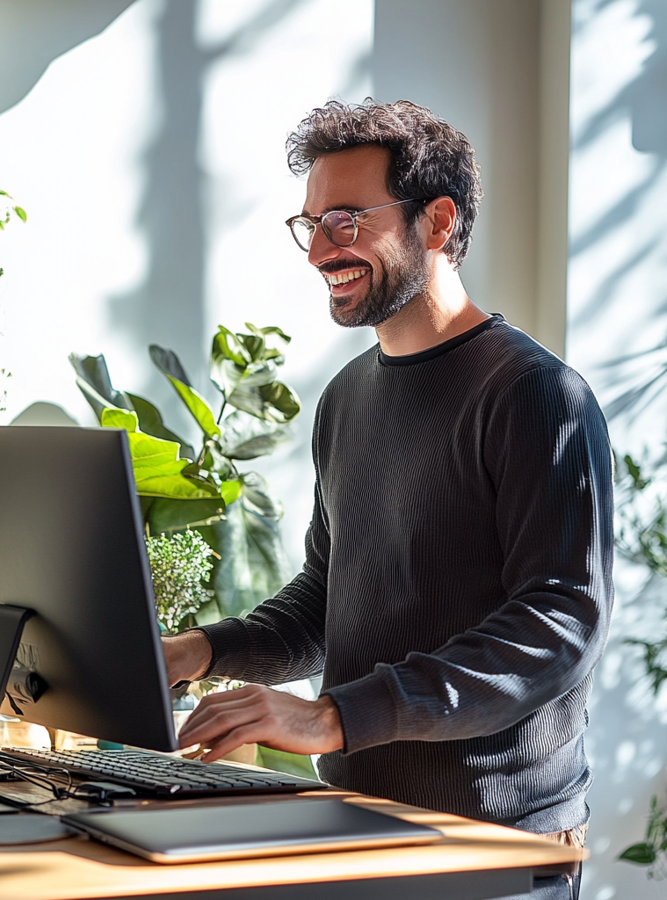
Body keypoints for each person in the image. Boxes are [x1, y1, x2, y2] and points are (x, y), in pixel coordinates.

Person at [163, 99, 613, 900]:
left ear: (436, 222)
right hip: (358, 827)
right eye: (309, 226)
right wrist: (198, 651)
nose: (318, 253)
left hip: (488, 852)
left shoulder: (538, 396)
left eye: (344, 220)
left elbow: (558, 625)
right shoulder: (346, 398)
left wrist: (330, 717)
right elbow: (325, 600)